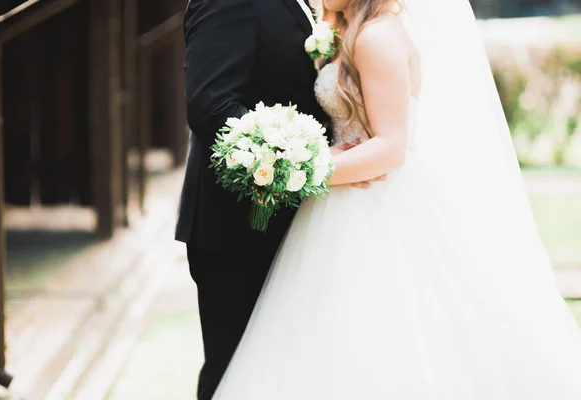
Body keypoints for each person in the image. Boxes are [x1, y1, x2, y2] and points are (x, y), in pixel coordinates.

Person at [211, 0, 581, 398]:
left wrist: (298, 174)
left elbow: (391, 148)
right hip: (341, 201)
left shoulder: (376, 36)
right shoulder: (352, 31)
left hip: (377, 203)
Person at [174, 1, 381, 398]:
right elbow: (211, 106)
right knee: (235, 375)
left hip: (301, 225)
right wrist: (311, 159)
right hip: (238, 229)